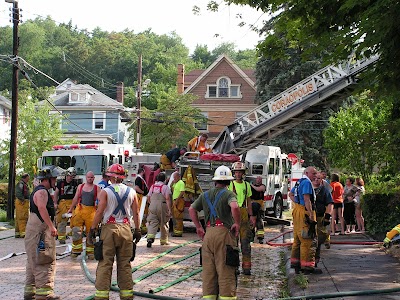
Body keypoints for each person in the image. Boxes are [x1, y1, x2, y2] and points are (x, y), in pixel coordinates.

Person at [90, 163, 141, 300]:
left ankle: (101, 296)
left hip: (109, 229)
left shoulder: (105, 192)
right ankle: (126, 295)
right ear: (123, 177)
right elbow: (136, 212)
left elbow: (100, 211)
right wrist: (137, 229)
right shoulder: (132, 192)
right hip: (126, 229)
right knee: (125, 264)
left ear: (110, 177)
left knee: (105, 263)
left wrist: (92, 229)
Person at [189, 165, 241, 299]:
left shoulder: (205, 195)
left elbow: (191, 209)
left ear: (215, 181)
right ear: (229, 181)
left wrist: (199, 227)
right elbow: (234, 206)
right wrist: (237, 223)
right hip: (223, 234)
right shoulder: (229, 194)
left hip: (208, 234)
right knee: (225, 271)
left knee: (209, 273)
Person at [24, 165, 64, 300]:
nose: (56, 181)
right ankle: (44, 295)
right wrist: (51, 227)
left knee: (33, 262)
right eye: (54, 178)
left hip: (34, 232)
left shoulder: (40, 190)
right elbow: (42, 209)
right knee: (44, 260)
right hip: (40, 232)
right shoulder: (42, 192)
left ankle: (30, 292)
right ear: (48, 179)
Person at [290, 166, 321, 274]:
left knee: (298, 239)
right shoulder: (307, 183)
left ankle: (295, 263)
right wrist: (311, 214)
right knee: (308, 239)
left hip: (298, 211)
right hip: (304, 213)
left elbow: (291, 194)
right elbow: (307, 199)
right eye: (314, 173)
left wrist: (298, 204)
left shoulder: (299, 182)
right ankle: (307, 266)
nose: (316, 175)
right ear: (307, 173)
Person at [228, 161, 256, 275]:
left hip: (244, 214)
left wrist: (252, 216)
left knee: (245, 242)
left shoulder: (247, 185)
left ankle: (247, 267)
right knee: (233, 243)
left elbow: (249, 202)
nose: (238, 174)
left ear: (243, 173)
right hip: (233, 214)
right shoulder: (230, 185)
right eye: (236, 172)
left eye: (240, 172)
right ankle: (234, 267)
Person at [67, 171, 101, 259]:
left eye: (91, 177)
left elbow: (101, 201)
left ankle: (90, 252)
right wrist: (71, 209)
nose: (90, 179)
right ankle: (76, 250)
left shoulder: (97, 188)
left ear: (94, 178)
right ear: (86, 178)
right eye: (88, 177)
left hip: (91, 211)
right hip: (80, 210)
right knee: (76, 230)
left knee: (91, 232)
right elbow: (75, 198)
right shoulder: (80, 187)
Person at [312, 172, 333, 266]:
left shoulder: (324, 190)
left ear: (322, 180)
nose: (316, 180)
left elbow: (330, 204)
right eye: (315, 178)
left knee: (319, 239)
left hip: (320, 217)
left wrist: (327, 217)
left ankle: (316, 259)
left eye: (319, 178)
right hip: (308, 217)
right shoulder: (307, 188)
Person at [146, 172, 172, 248]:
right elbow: (167, 198)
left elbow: (148, 197)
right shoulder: (165, 187)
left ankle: (150, 237)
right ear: (164, 179)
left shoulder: (152, 186)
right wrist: (169, 209)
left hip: (152, 205)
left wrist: (151, 204)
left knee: (153, 222)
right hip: (162, 205)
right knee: (164, 222)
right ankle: (164, 240)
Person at [54, 167, 78, 244]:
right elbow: (56, 193)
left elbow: (77, 195)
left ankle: (76, 239)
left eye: (73, 176)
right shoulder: (60, 183)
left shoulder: (75, 184)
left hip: (72, 203)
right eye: (70, 176)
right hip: (63, 203)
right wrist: (55, 203)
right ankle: (61, 239)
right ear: (67, 175)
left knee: (75, 221)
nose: (71, 178)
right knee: (62, 221)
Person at [250, 176, 266, 244]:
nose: (258, 180)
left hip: (259, 205)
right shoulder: (252, 186)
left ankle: (260, 238)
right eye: (257, 179)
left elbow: (258, 189)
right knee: (251, 222)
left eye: (260, 179)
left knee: (259, 221)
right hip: (252, 205)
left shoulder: (263, 186)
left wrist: (251, 185)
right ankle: (251, 237)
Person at [15, 173, 30, 238]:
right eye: (28, 177)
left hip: (21, 202)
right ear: (26, 177)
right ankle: (23, 233)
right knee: (22, 217)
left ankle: (17, 232)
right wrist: (23, 199)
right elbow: (18, 193)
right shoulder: (21, 184)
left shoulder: (23, 184)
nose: (29, 179)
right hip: (22, 202)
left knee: (19, 217)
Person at [171, 171, 186, 237]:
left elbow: (182, 192)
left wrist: (177, 200)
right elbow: (171, 188)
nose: (174, 178)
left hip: (179, 201)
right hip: (175, 201)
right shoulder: (176, 183)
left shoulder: (181, 183)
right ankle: (175, 231)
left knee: (178, 216)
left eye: (175, 177)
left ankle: (178, 232)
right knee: (175, 216)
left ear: (179, 177)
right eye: (173, 177)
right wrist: (172, 182)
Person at [134, 168, 149, 234]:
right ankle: (140, 227)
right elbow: (136, 188)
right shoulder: (138, 179)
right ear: (142, 172)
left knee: (144, 212)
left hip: (142, 197)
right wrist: (143, 192)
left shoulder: (140, 178)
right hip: (140, 197)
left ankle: (143, 227)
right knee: (141, 212)